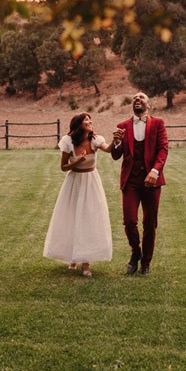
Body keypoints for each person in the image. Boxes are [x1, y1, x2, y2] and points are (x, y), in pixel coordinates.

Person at [43, 112, 113, 277]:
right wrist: (77, 162)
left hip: (91, 182)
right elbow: (63, 167)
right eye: (86, 120)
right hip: (74, 182)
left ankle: (85, 263)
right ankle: (73, 257)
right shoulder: (68, 142)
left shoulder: (95, 139)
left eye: (90, 119)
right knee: (73, 217)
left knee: (88, 219)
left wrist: (117, 140)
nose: (89, 121)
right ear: (78, 125)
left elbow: (108, 150)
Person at [111, 92, 168, 275]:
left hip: (152, 181)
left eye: (141, 97)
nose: (137, 99)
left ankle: (146, 262)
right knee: (129, 221)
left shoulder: (158, 123)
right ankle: (135, 253)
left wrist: (155, 170)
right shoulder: (122, 126)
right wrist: (117, 143)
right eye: (135, 98)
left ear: (148, 105)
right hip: (131, 181)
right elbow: (115, 155)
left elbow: (163, 149)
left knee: (150, 223)